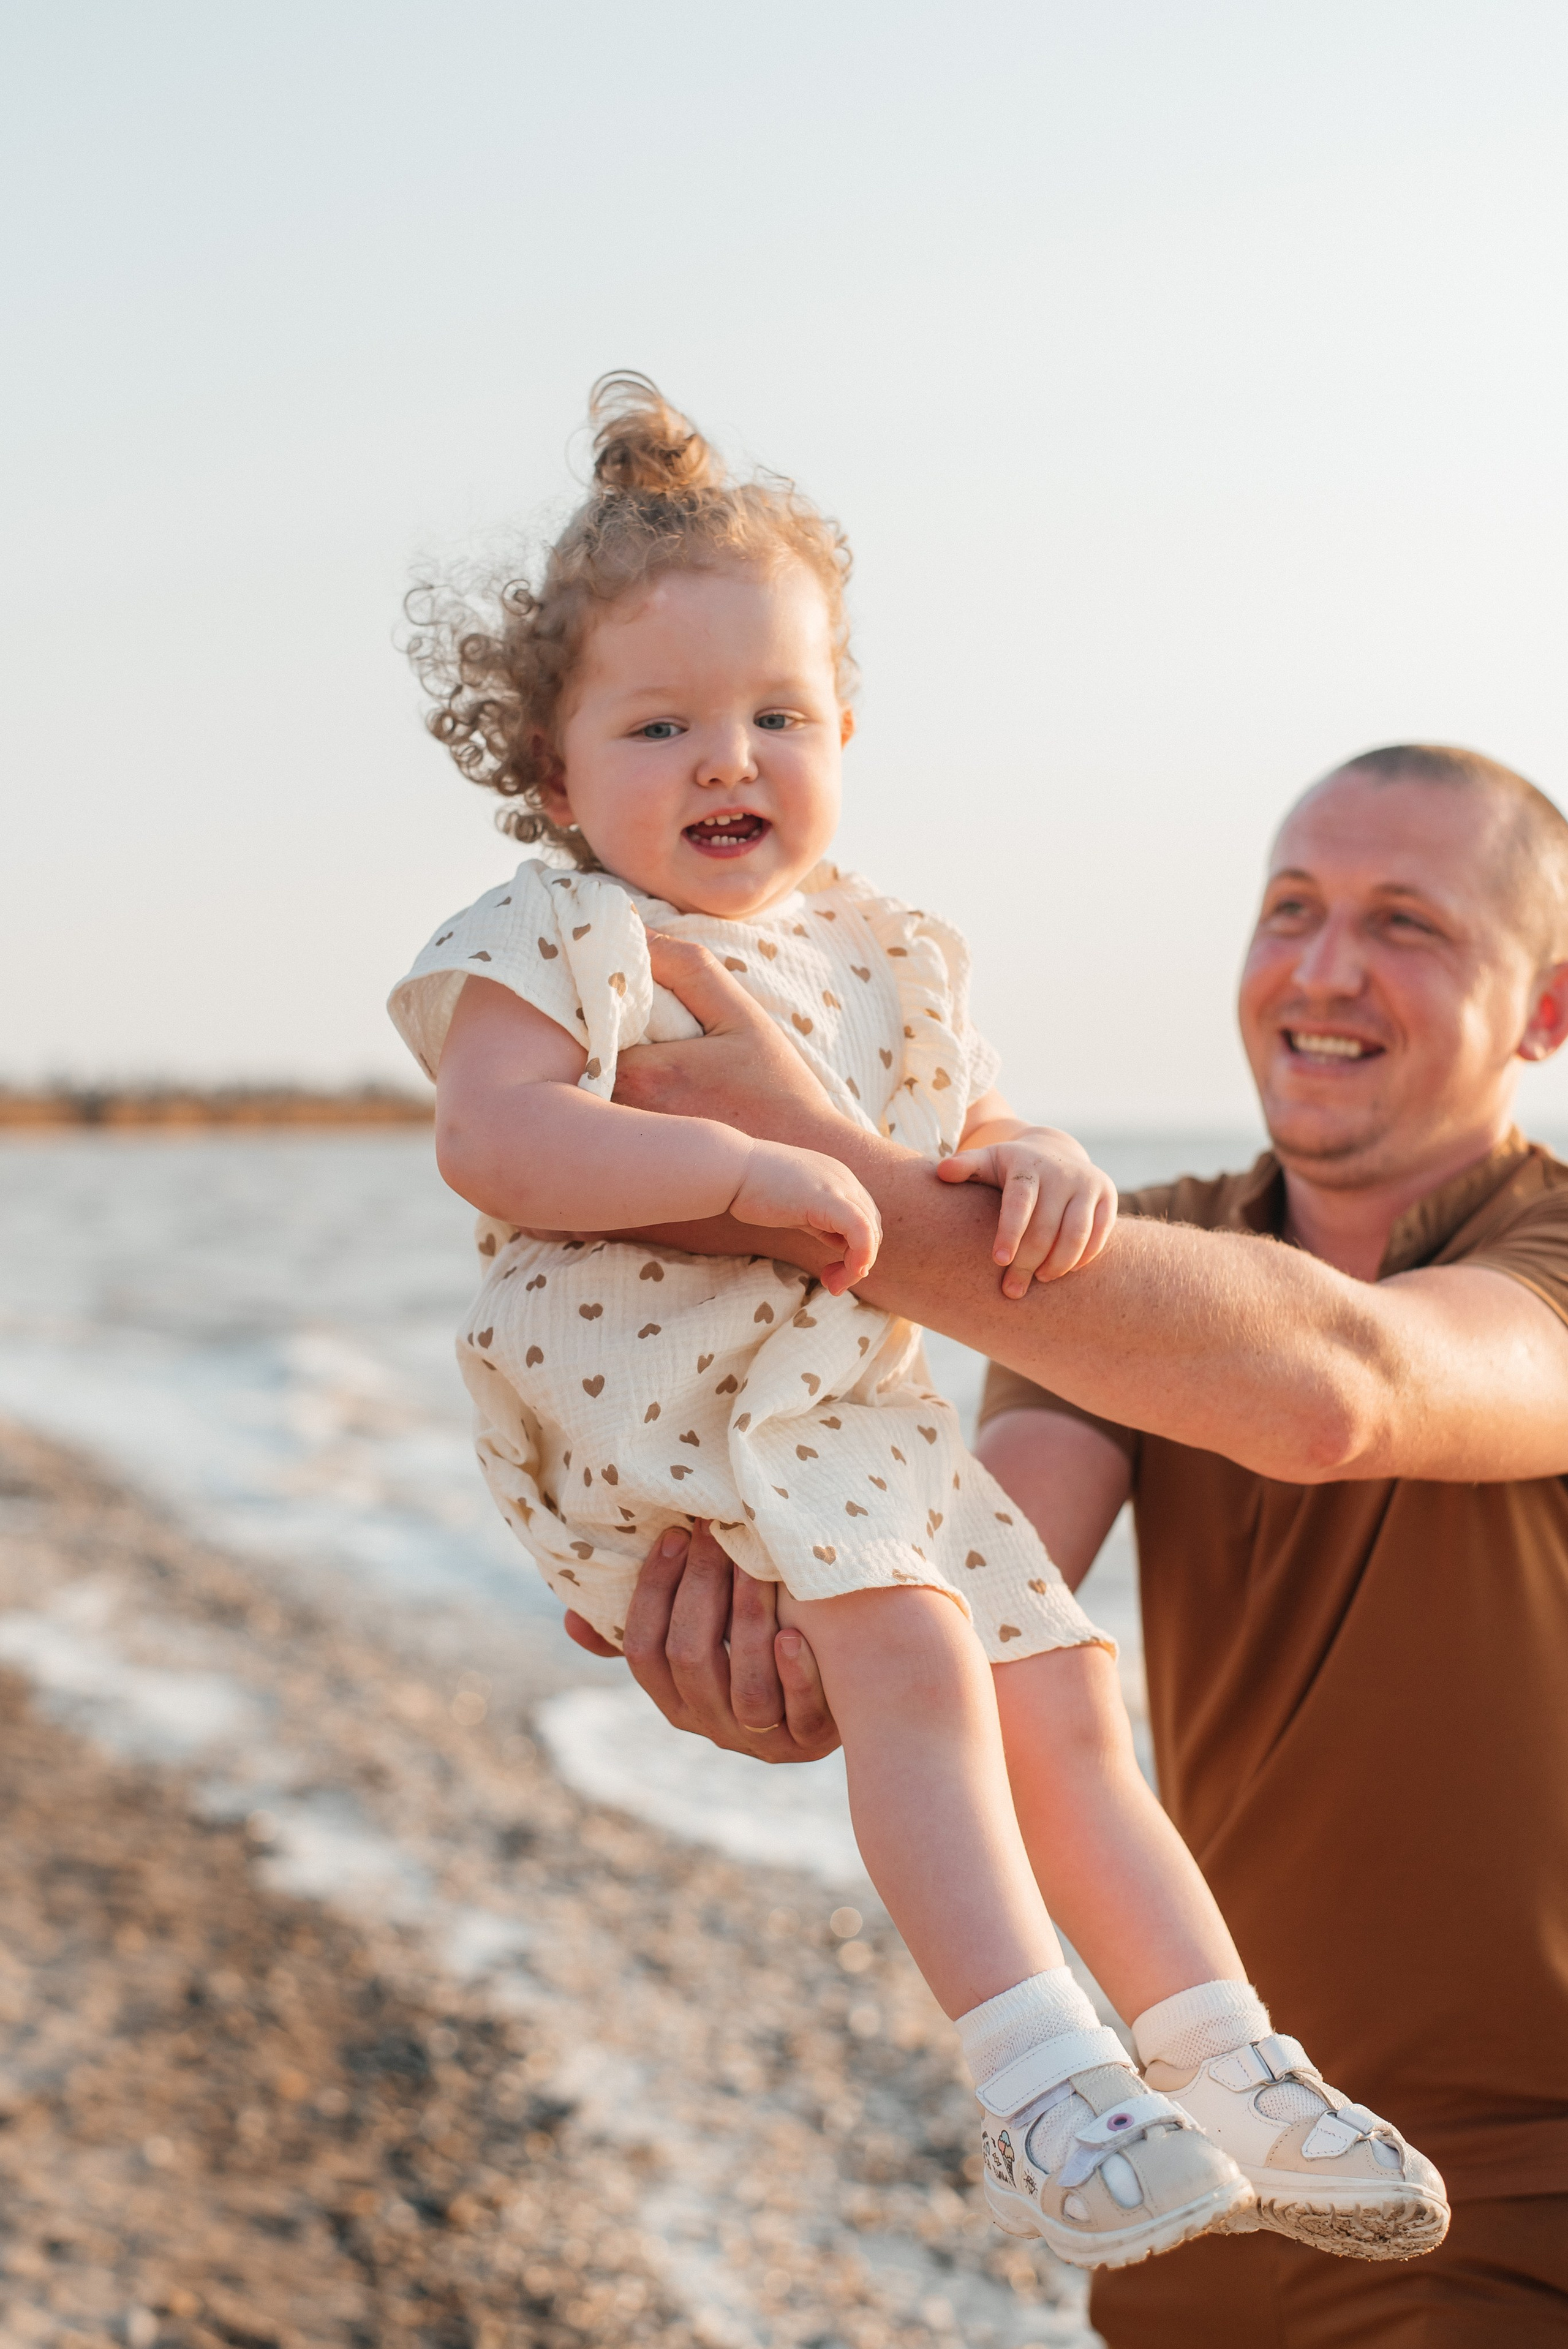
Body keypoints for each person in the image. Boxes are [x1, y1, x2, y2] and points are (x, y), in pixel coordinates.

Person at [386, 377, 1442, 2272]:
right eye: (662, 725)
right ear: (556, 776)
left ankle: (1226, 2051)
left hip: (849, 1414)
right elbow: (498, 1134)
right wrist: (749, 1169)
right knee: (921, 1664)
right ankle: (1040, 2076)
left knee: (1067, 1684)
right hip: (657, 1387)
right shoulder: (560, 927)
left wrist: (1036, 1162)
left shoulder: (891, 948)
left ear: (847, 731)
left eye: (779, 714)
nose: (732, 757)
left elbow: (956, 1136)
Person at [586, 742, 1568, 2345]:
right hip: (1215, 2186)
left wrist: (829, 1180)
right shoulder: (1106, 1256)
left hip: (1527, 2210)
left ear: (1545, 1009)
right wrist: (781, 1639)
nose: (1323, 968)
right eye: (1292, 908)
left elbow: (1344, 1385)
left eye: (1410, 924)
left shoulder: (1553, 1250)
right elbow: (972, 1586)